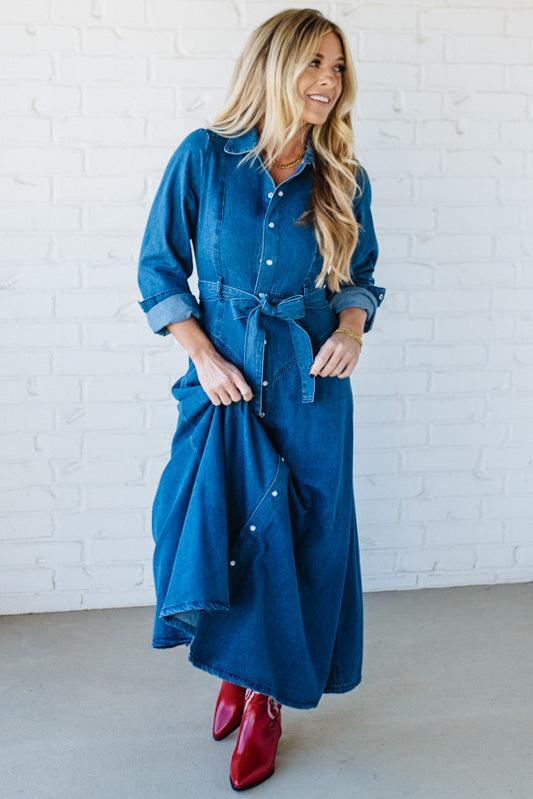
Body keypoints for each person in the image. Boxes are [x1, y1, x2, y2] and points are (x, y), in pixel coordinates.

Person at [136, 8, 386, 792]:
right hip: (225, 385)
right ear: (274, 65)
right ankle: (234, 669)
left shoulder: (343, 174)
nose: (327, 81)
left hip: (312, 388)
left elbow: (360, 280)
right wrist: (203, 356)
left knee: (303, 539)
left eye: (337, 68)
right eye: (314, 63)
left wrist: (350, 329)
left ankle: (266, 698)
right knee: (215, 526)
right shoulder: (204, 160)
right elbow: (158, 270)